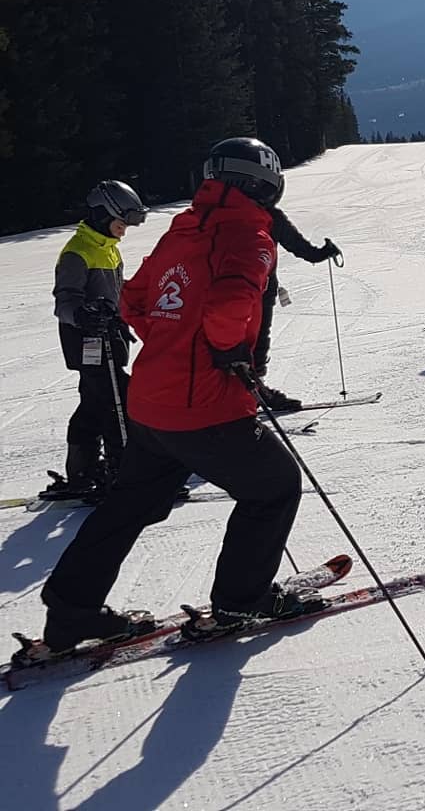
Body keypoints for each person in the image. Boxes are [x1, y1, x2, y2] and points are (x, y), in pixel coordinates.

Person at [30, 137, 315, 657]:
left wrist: (171, 340)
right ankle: (241, 600)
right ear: (264, 184)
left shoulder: (183, 228)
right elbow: (229, 306)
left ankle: (71, 612)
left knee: (129, 504)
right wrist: (226, 351)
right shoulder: (249, 236)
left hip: (151, 403)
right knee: (274, 486)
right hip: (206, 405)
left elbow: (135, 299)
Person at [44, 181, 148, 500]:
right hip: (86, 341)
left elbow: (114, 291)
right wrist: (83, 315)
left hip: (109, 339)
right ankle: (122, 472)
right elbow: (64, 301)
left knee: (92, 405)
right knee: (120, 402)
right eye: (121, 223)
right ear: (104, 215)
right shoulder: (77, 252)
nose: (124, 231)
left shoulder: (108, 248)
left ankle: (83, 471)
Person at [255, 207, 342, 411]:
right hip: (261, 288)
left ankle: (246, 392)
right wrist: (324, 252)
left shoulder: (221, 212)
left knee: (228, 339)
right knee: (257, 340)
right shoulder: (270, 216)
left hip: (220, 289)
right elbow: (301, 248)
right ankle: (255, 391)